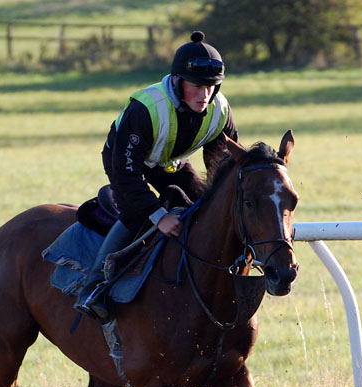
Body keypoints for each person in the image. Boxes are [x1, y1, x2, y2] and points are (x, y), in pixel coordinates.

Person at [76, 31, 240, 321]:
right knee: (136, 215)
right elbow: (126, 175)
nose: (205, 95)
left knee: (201, 208)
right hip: (125, 163)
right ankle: (94, 287)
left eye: (211, 88)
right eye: (197, 86)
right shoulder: (146, 108)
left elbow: (222, 166)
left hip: (170, 163)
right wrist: (158, 215)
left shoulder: (220, 110)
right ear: (176, 81)